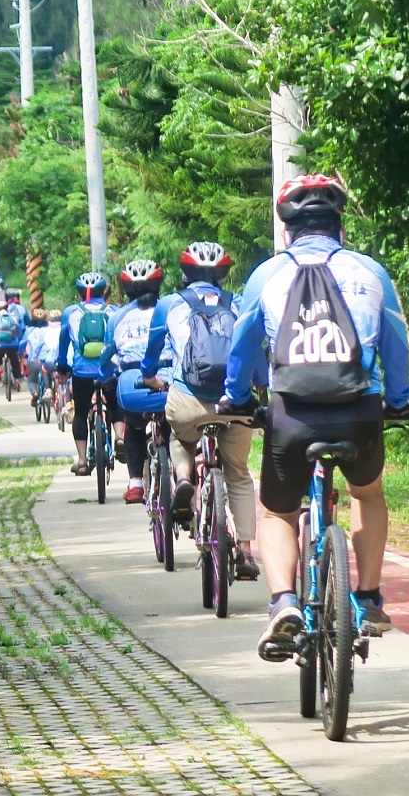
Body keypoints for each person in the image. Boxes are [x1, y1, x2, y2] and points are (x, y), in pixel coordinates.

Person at [216, 174, 409, 660]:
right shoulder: (371, 272)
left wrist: (235, 399)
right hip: (359, 411)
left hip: (292, 416)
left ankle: (284, 601)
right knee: (366, 493)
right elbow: (394, 344)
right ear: (340, 228)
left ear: (288, 231)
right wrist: (398, 399)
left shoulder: (268, 274)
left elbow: (243, 349)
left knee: (276, 511)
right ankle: (366, 600)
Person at [141, 243, 260, 579]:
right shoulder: (237, 302)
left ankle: (182, 480)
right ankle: (247, 553)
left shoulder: (169, 304)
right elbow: (255, 348)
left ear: (184, 273)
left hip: (188, 399)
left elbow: (151, 356)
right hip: (234, 401)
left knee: (180, 436)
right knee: (238, 472)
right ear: (223, 273)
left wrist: (149, 376)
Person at [99, 260, 166, 504]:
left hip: (131, 385)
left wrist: (105, 378)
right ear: (159, 284)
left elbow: (107, 353)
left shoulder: (118, 317)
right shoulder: (171, 309)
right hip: (166, 381)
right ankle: (182, 477)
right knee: (174, 424)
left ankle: (135, 484)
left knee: (134, 427)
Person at [57, 272, 120, 476]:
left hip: (81, 372)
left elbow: (63, 342)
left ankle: (83, 461)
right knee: (115, 405)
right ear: (104, 291)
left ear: (79, 292)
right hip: (108, 369)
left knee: (81, 413)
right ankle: (119, 439)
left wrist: (62, 364)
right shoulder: (113, 311)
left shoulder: (70, 312)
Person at [0, 298, 24, 385]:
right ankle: (17, 379)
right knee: (14, 360)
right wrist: (19, 338)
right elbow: (19, 330)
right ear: (7, 308)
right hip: (13, 344)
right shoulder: (13, 319)